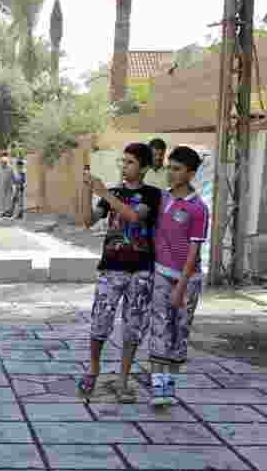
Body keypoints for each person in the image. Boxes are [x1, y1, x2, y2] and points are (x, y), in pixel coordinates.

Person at [78, 143, 162, 403]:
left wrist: (103, 191)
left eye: (130, 162)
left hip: (141, 269)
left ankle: (123, 378)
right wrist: (87, 190)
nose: (124, 167)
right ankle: (93, 368)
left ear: (145, 167)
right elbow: (88, 220)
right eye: (122, 162)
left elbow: (134, 217)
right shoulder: (112, 192)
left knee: (133, 326)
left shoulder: (153, 195)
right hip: (111, 267)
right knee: (100, 320)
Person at [148, 146, 209, 407]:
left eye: (177, 169)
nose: (171, 173)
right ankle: (157, 390)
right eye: (169, 168)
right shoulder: (162, 199)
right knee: (159, 329)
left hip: (187, 279)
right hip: (161, 273)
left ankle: (169, 388)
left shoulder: (198, 208)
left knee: (179, 332)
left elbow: (194, 251)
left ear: (191, 173)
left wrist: (180, 288)